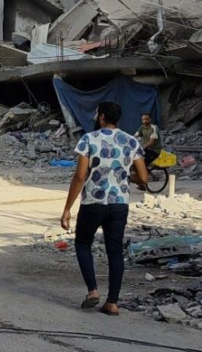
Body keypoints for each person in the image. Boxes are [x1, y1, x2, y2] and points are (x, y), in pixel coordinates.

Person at [61, 101, 149, 316]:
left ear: (101, 117)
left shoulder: (88, 139)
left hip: (93, 202)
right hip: (119, 204)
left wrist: (67, 208)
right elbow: (144, 178)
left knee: (83, 243)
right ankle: (112, 303)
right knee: (115, 251)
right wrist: (123, 174)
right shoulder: (131, 141)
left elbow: (80, 176)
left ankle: (92, 291)